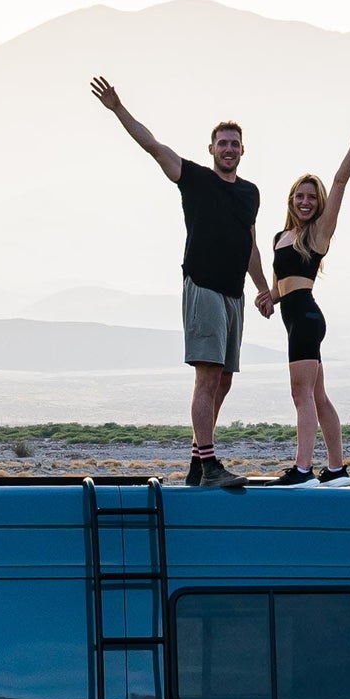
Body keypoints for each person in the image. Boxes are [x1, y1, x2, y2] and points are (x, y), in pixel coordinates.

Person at [90, 77, 269, 487]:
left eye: (234, 143)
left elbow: (250, 244)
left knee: (224, 379)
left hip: (233, 295)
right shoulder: (193, 177)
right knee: (207, 376)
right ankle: (208, 465)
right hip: (203, 286)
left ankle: (196, 462)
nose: (228, 149)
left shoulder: (250, 193)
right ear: (211, 149)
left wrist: (261, 288)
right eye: (221, 142)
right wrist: (119, 108)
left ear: (243, 151)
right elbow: (152, 145)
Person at [258, 116, 350, 483]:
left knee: (301, 393)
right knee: (318, 396)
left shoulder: (319, 233)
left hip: (306, 317)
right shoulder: (279, 237)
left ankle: (303, 469)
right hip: (294, 317)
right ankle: (337, 469)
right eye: (300, 196)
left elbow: (340, 181)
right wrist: (268, 298)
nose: (305, 201)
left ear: (318, 202)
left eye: (312, 197)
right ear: (291, 200)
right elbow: (280, 285)